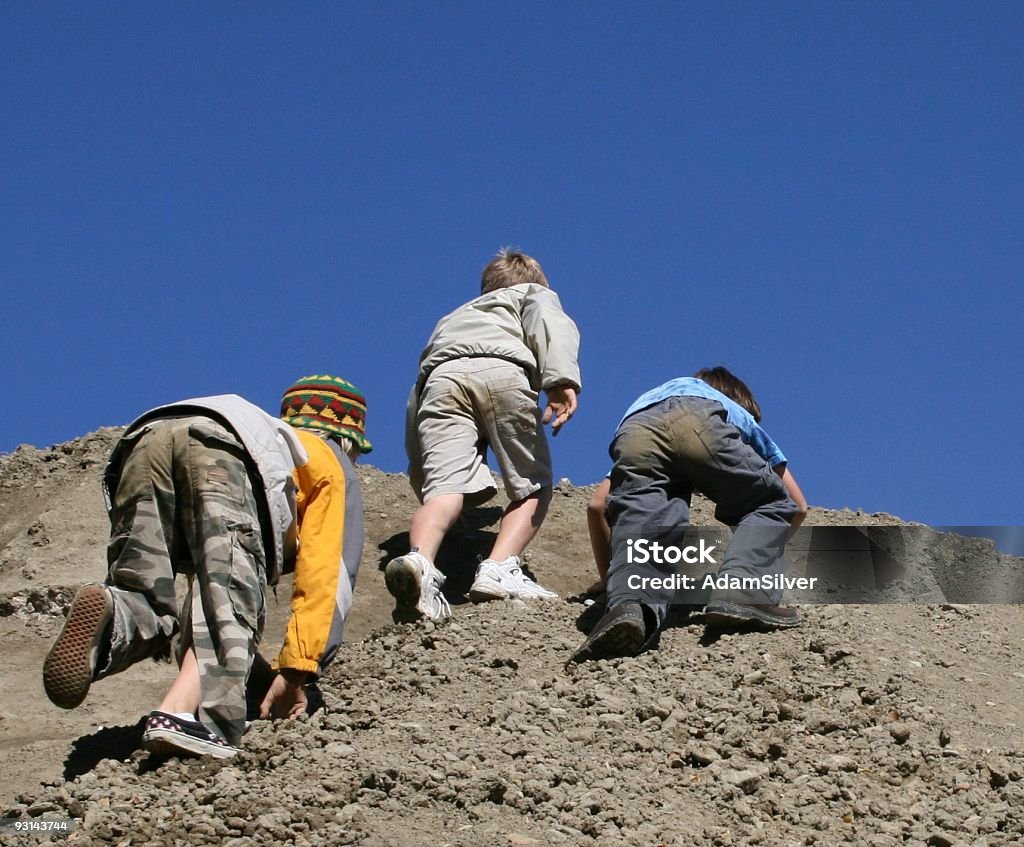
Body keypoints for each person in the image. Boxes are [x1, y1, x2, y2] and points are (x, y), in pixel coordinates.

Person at [42, 375, 370, 759]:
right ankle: (184, 717)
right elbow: (325, 574)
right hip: (220, 456)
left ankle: (115, 616)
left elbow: (197, 602)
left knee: (144, 591)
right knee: (230, 601)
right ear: (349, 439)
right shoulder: (327, 459)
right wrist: (298, 669)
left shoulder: (268, 435)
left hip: (145, 441)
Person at [386, 249, 582, 621]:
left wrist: (420, 469)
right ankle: (499, 568)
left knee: (443, 490)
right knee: (532, 484)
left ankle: (420, 561)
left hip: (441, 381)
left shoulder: (451, 320)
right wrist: (559, 381)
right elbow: (549, 324)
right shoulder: (532, 295)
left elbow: (417, 398)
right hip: (502, 371)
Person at [571, 367, 807, 662]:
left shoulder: (655, 401)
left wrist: (610, 581)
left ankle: (629, 605)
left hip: (634, 429)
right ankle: (742, 593)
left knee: (648, 519)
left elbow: (597, 505)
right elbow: (796, 506)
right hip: (700, 422)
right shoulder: (730, 410)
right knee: (768, 503)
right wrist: (759, 549)